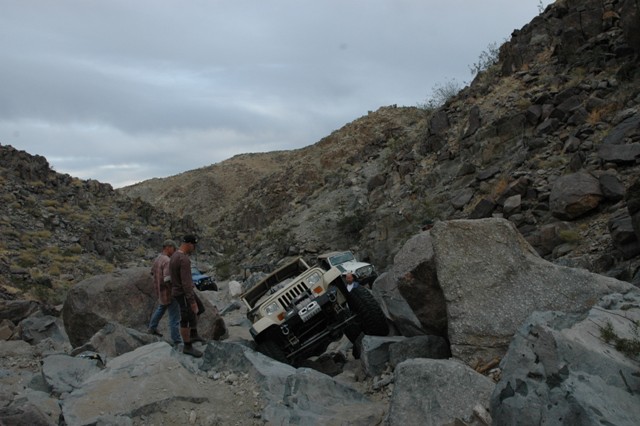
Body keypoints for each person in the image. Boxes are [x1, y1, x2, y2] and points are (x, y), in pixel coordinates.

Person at [170, 234, 203, 357]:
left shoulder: (174, 256)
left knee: (200, 309)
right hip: (183, 293)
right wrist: (192, 301)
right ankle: (187, 346)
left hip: (179, 290)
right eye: (194, 245)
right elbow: (186, 283)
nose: (194, 248)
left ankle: (193, 334)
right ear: (189, 244)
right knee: (186, 318)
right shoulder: (183, 259)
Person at [147, 240, 182, 347]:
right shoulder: (167, 260)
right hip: (170, 293)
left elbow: (152, 272)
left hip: (161, 291)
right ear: (168, 247)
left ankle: (152, 328)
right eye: (173, 248)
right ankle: (177, 340)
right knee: (174, 317)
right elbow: (167, 279)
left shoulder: (158, 258)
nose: (174, 251)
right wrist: (175, 289)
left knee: (161, 308)